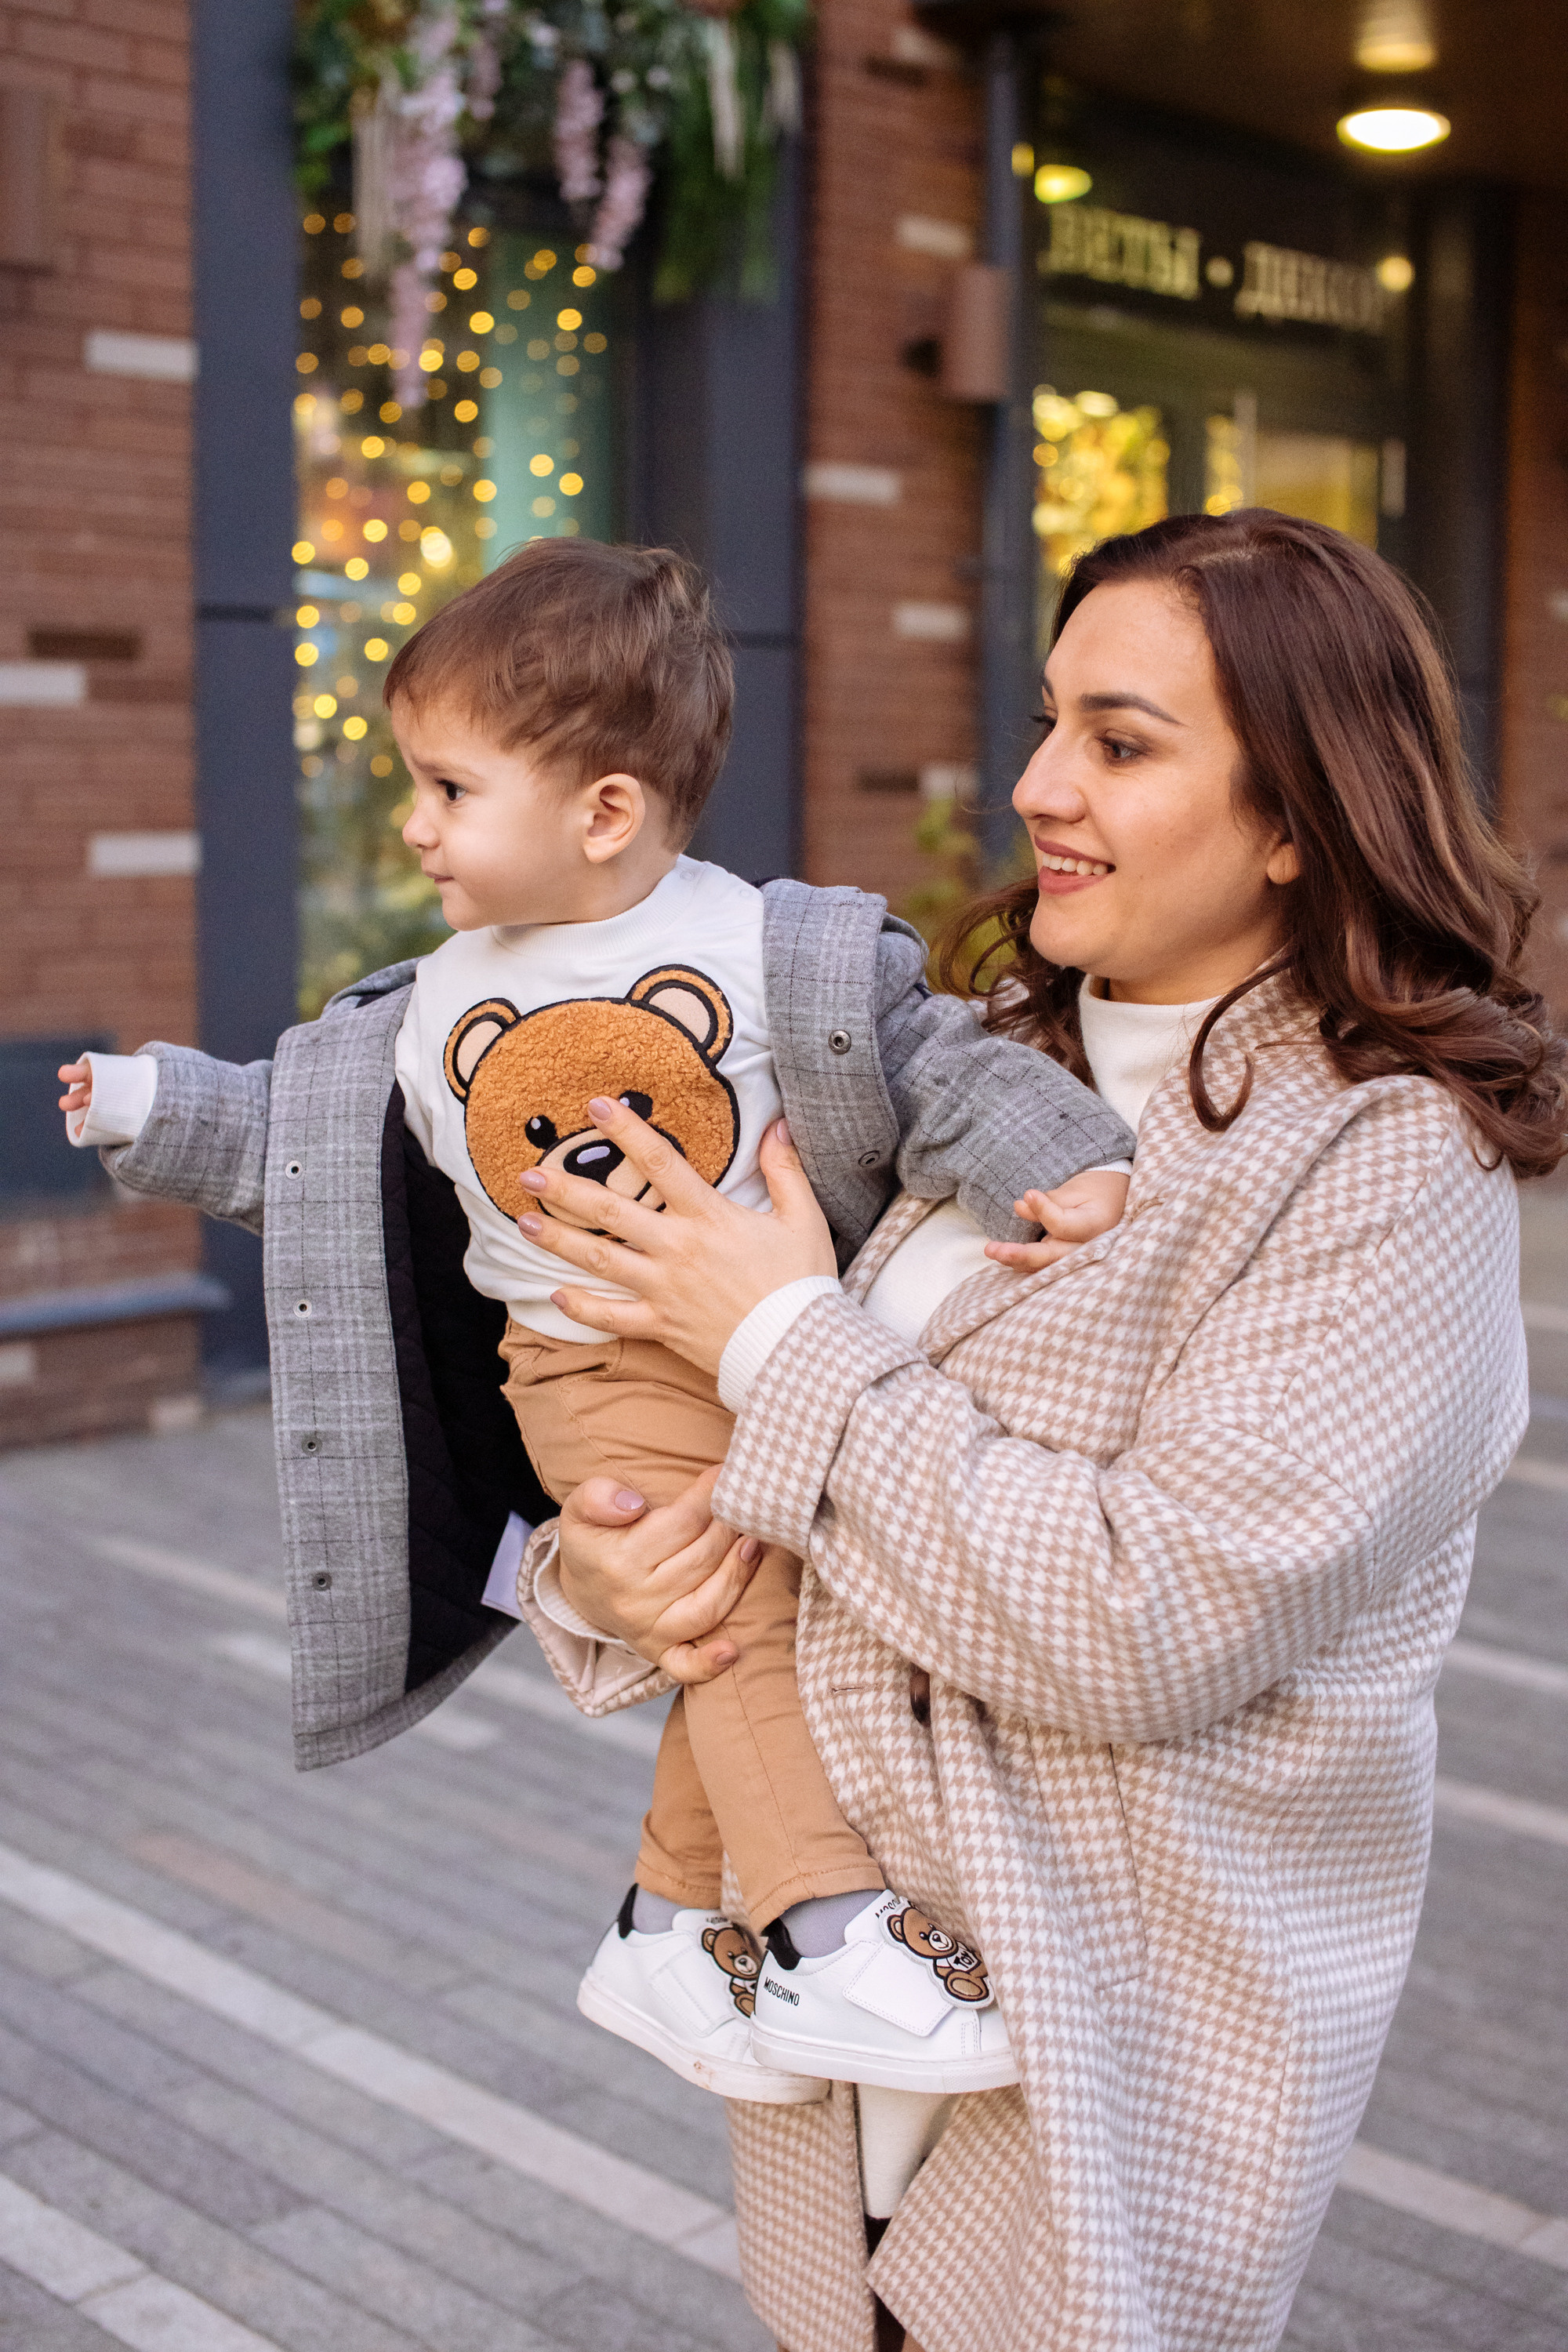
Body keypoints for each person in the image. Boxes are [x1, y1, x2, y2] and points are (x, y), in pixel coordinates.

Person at [509, 510, 1565, 2352]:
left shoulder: (1387, 1167)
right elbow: (754, 1470)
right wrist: (600, 1570)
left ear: (1299, 813)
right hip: (846, 2002)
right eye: (1049, 718)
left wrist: (773, 1329)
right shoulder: (976, 1058)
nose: (1036, 784)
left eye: (1122, 742)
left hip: (1105, 2056)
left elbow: (1139, 1618)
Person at [56, 537, 1135, 2109]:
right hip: (585, 1361)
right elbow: (292, 1136)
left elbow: (940, 1067)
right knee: (738, 1620)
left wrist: (1074, 1169)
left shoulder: (764, 948)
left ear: (604, 809)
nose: (411, 825)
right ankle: (826, 1933)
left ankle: (664, 1922)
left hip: (763, 1330)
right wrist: (145, 1105)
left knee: (751, 1617)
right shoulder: (431, 1005)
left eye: (445, 788)